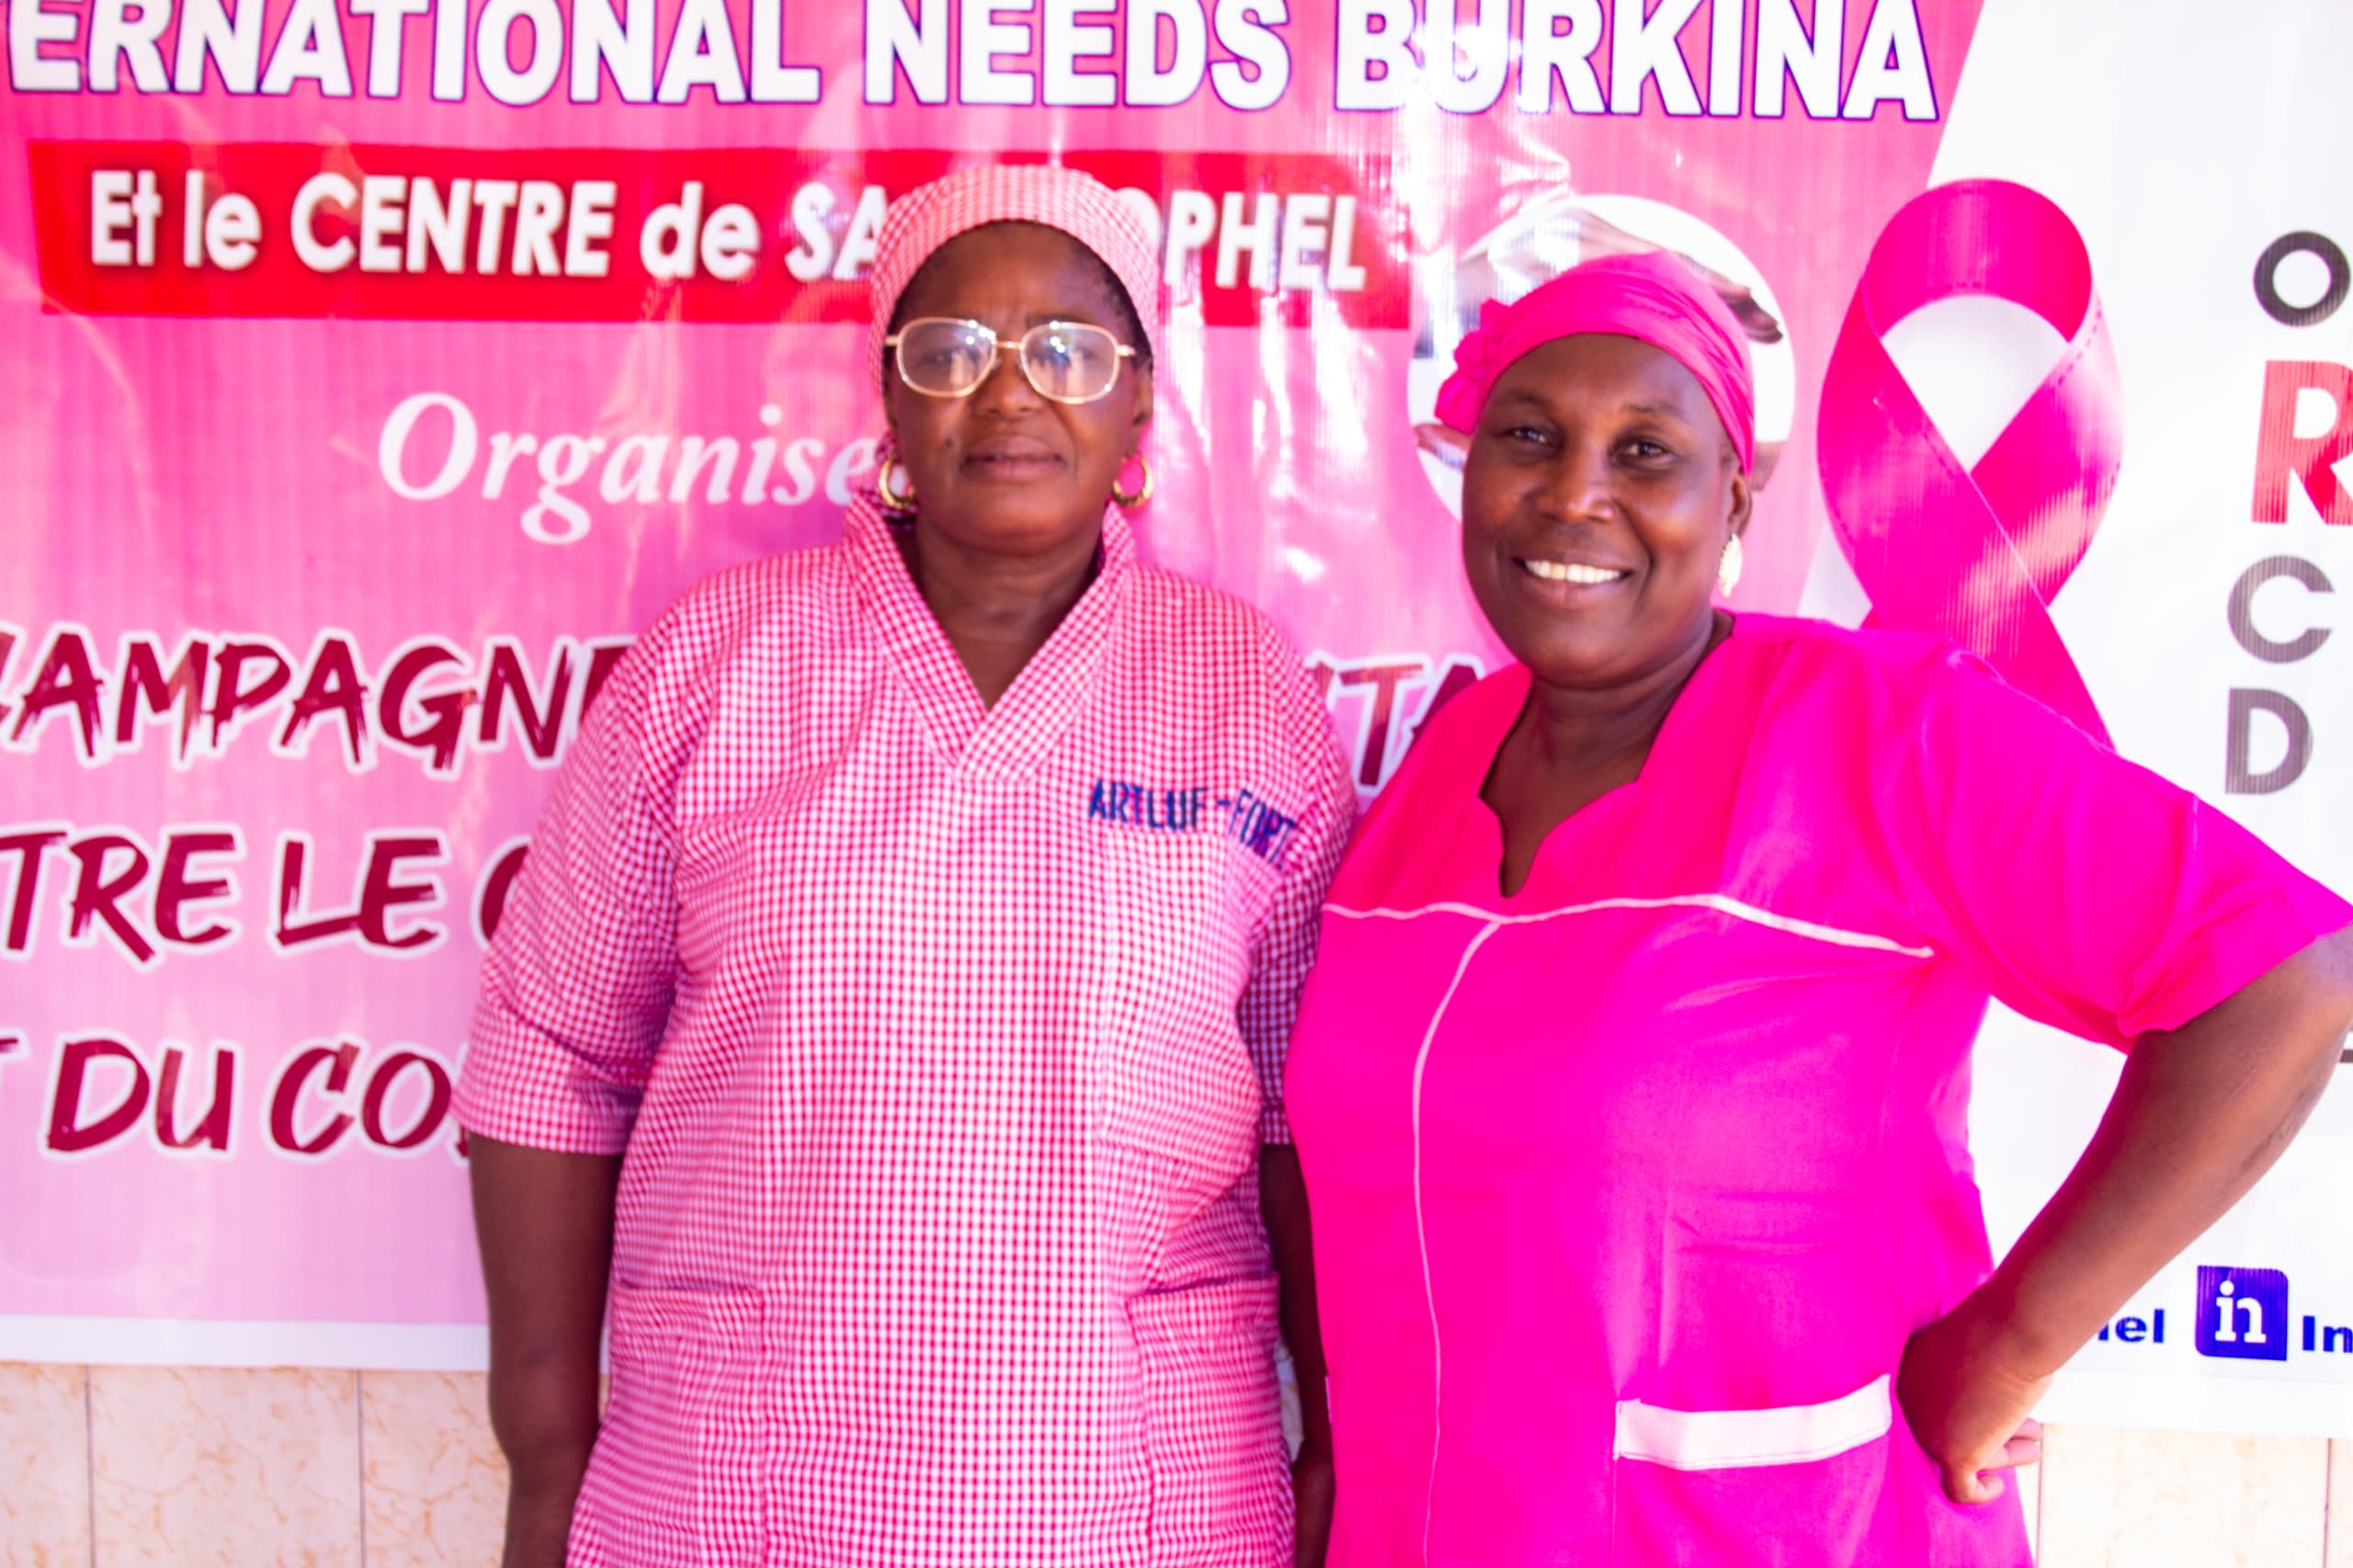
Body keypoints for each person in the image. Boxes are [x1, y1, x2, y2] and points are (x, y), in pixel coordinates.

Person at [1282, 250, 2353, 1566]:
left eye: (1645, 450)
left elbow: (2284, 973)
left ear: (1734, 496)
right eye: (1529, 434)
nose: (1574, 494)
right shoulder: (1445, 761)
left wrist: (2006, 1347)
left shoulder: (1878, 734)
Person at [455, 164, 1352, 1568]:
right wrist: (545, 1456)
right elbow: (549, 1055)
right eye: (951, 351)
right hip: (749, 1481)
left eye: (1066, 349)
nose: (1009, 391)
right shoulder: (716, 664)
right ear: (890, 398)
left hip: (1138, 1483)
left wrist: (1337, 1443)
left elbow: (1314, 1102)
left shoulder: (1245, 688)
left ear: (1136, 408)